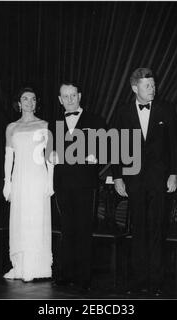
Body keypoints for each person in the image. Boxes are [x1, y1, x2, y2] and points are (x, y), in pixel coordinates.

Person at [112, 68, 177, 296]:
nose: (153, 89)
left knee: (156, 228)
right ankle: (138, 278)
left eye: (153, 85)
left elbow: (175, 145)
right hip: (133, 179)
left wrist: (174, 174)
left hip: (160, 180)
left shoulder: (167, 109)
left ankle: (156, 280)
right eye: (147, 86)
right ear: (135, 88)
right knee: (138, 228)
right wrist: (118, 176)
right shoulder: (122, 112)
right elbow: (116, 146)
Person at [47, 81, 106, 291]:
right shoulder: (54, 123)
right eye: (65, 96)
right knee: (66, 229)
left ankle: (84, 276)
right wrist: (51, 155)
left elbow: (106, 149)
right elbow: (49, 151)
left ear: (79, 96)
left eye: (73, 95)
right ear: (60, 99)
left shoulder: (95, 120)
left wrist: (96, 155)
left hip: (85, 183)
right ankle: (65, 274)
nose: (70, 99)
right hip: (62, 183)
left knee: (83, 229)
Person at [2, 86, 53, 282]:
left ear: (36, 103)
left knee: (36, 221)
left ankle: (37, 267)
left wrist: (50, 181)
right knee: (20, 221)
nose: (29, 102)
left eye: (33, 99)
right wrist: (8, 182)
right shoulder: (11, 127)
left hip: (38, 177)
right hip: (20, 178)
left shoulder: (44, 124)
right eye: (25, 98)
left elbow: (50, 155)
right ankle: (20, 267)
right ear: (19, 102)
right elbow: (9, 157)